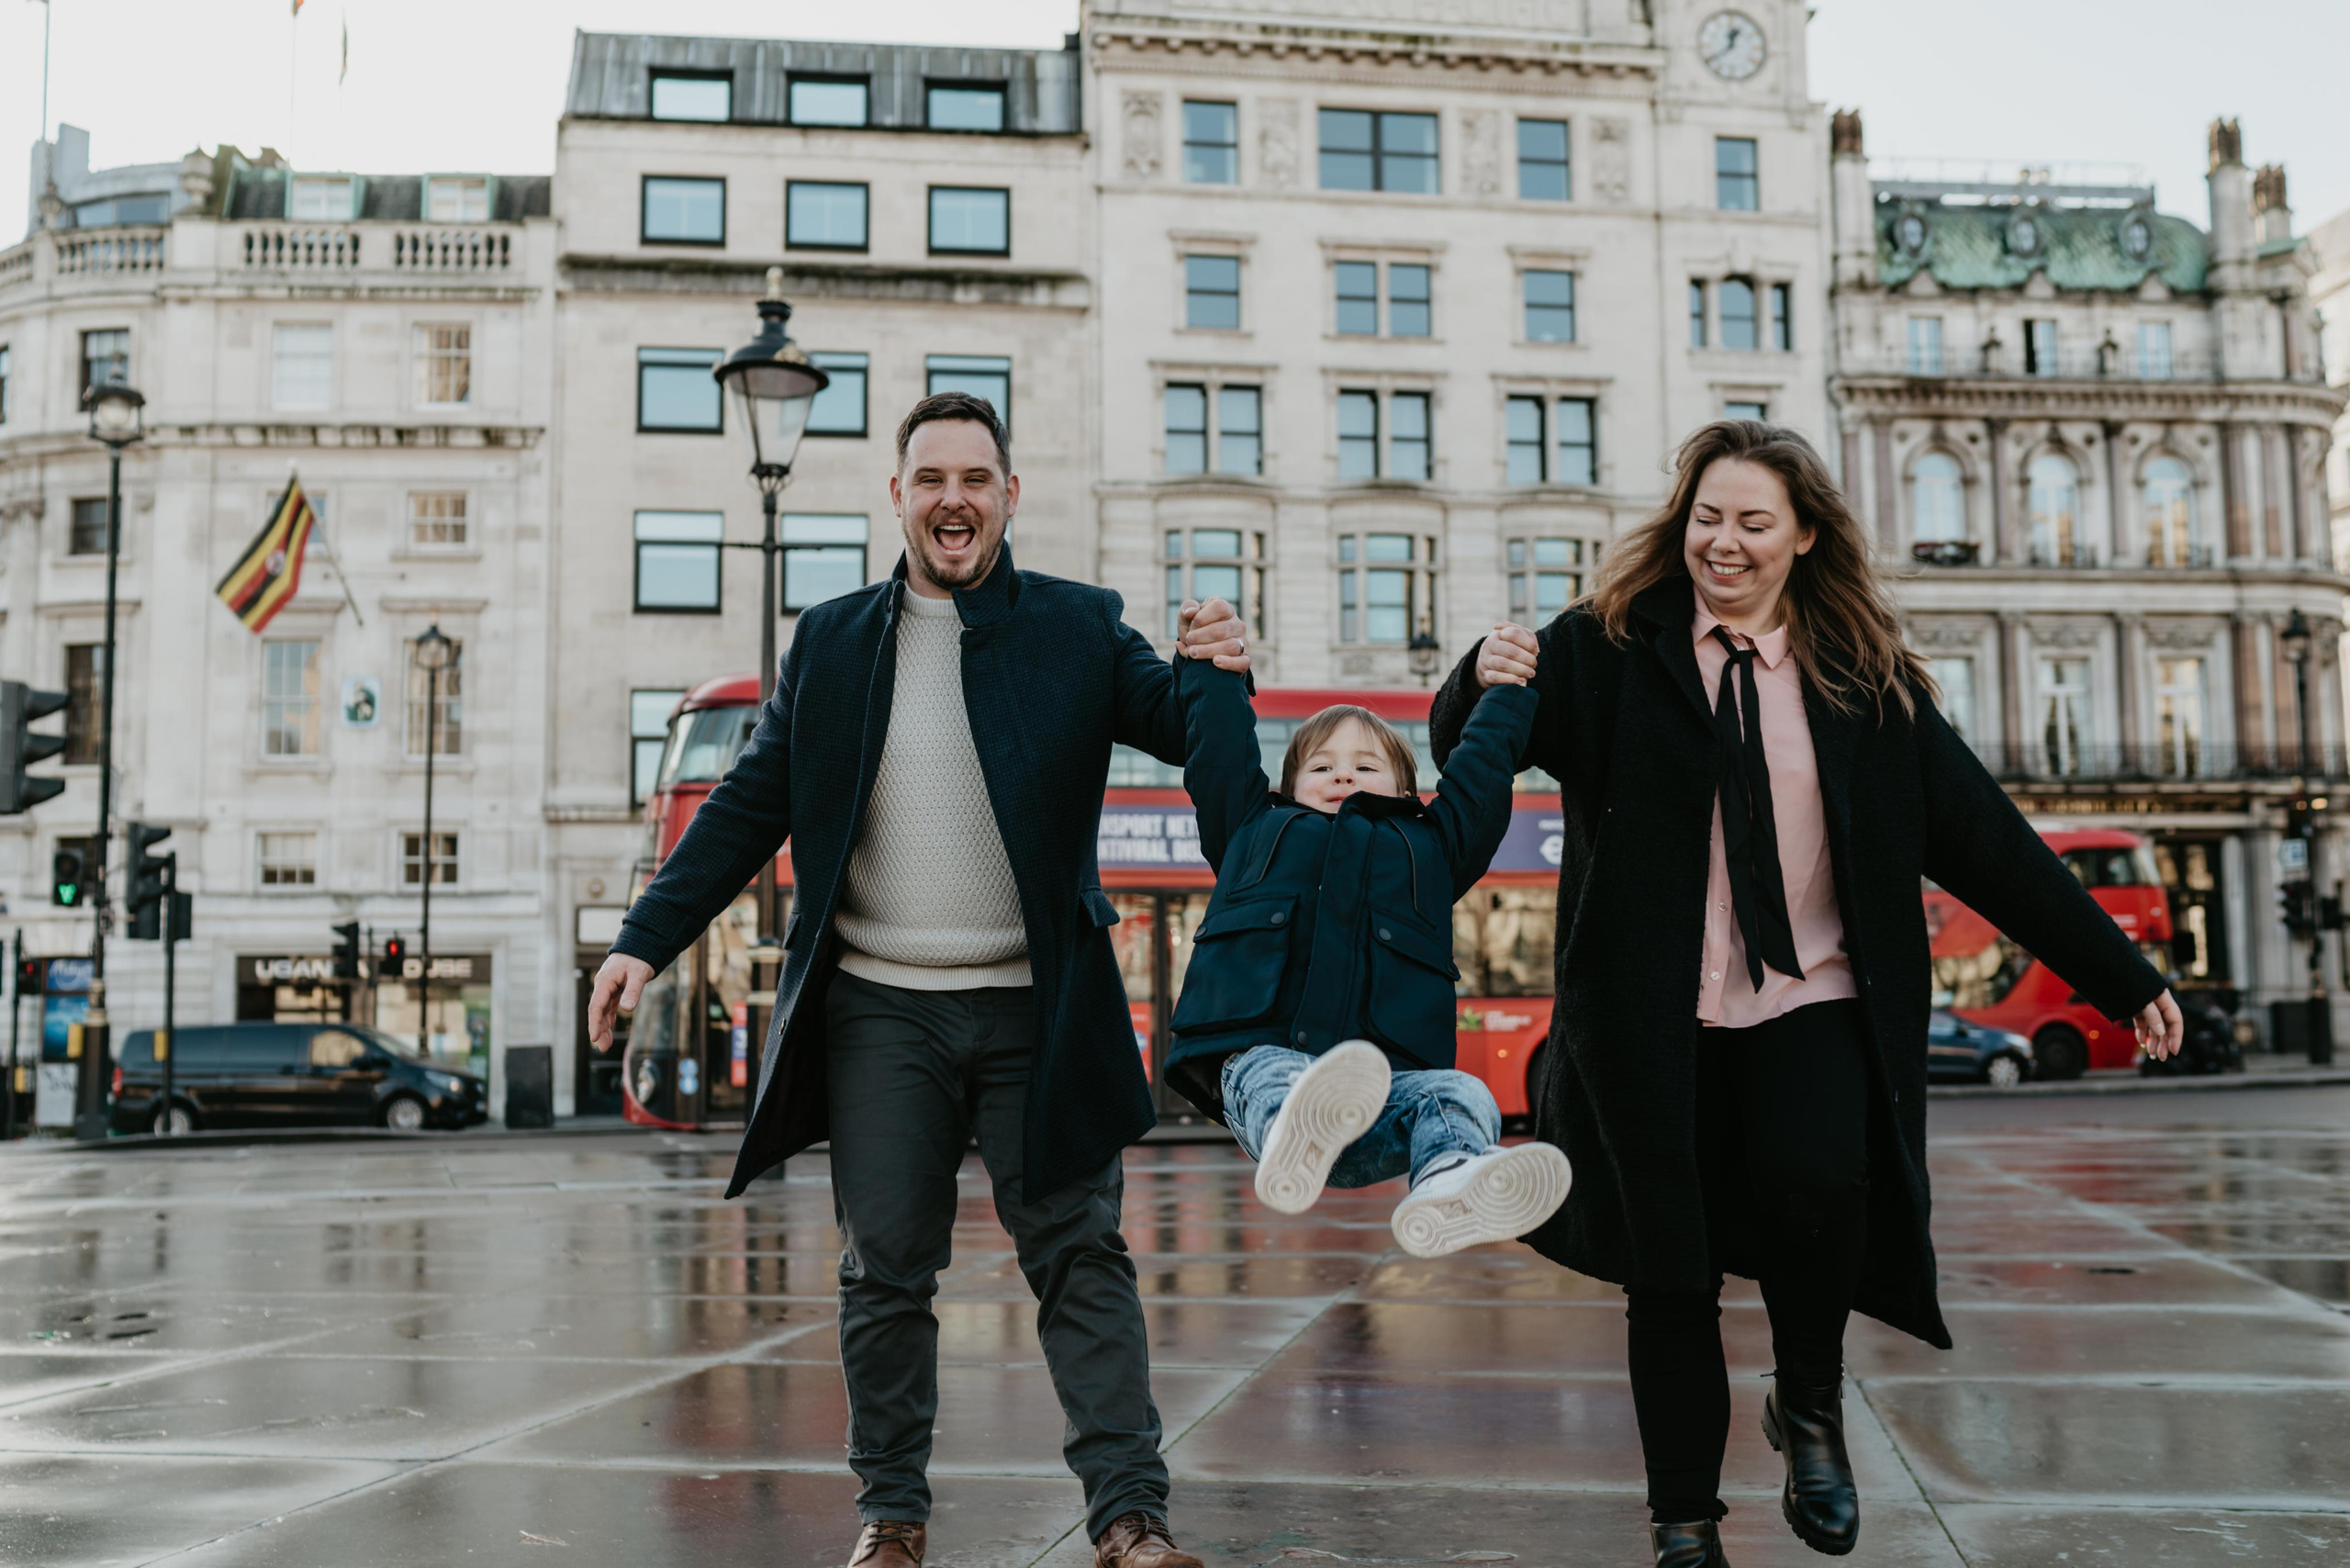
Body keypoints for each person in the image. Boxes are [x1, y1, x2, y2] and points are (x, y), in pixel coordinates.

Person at [1429, 420, 2184, 1568]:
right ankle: (1684, 1527)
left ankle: (1810, 1404)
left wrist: (2122, 975)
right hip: (1650, 1018)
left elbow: (1986, 840)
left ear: (1804, 536)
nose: (1722, 543)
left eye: (1752, 522)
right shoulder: (1606, 646)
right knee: (1668, 1270)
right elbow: (1469, 741)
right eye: (1706, 518)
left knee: (1822, 1182)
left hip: (1812, 997)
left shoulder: (1860, 682)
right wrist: (1474, 674)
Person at [587, 392, 1247, 1568]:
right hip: (881, 1009)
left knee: (1079, 1257)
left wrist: (1216, 666)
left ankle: (1129, 1520)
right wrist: (644, 937)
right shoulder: (832, 641)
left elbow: (1190, 728)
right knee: (884, 1271)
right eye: (931, 478)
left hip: (1037, 1008)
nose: (954, 498)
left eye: (975, 478)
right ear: (897, 496)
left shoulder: (1081, 625)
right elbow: (748, 804)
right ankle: (890, 1519)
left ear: (1008, 495)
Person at [1160, 613, 1571, 1255]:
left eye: (1366, 767)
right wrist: (1214, 669)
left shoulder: (1433, 845)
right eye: (1322, 766)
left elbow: (1483, 774)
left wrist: (1506, 694)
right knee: (1275, 1072)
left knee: (1462, 1091)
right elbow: (1218, 753)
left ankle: (1449, 1179)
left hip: (1385, 1095)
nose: (1343, 777)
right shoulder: (1249, 827)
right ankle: (1294, 1131)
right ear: (1288, 786)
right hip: (1266, 1072)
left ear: (1408, 791)